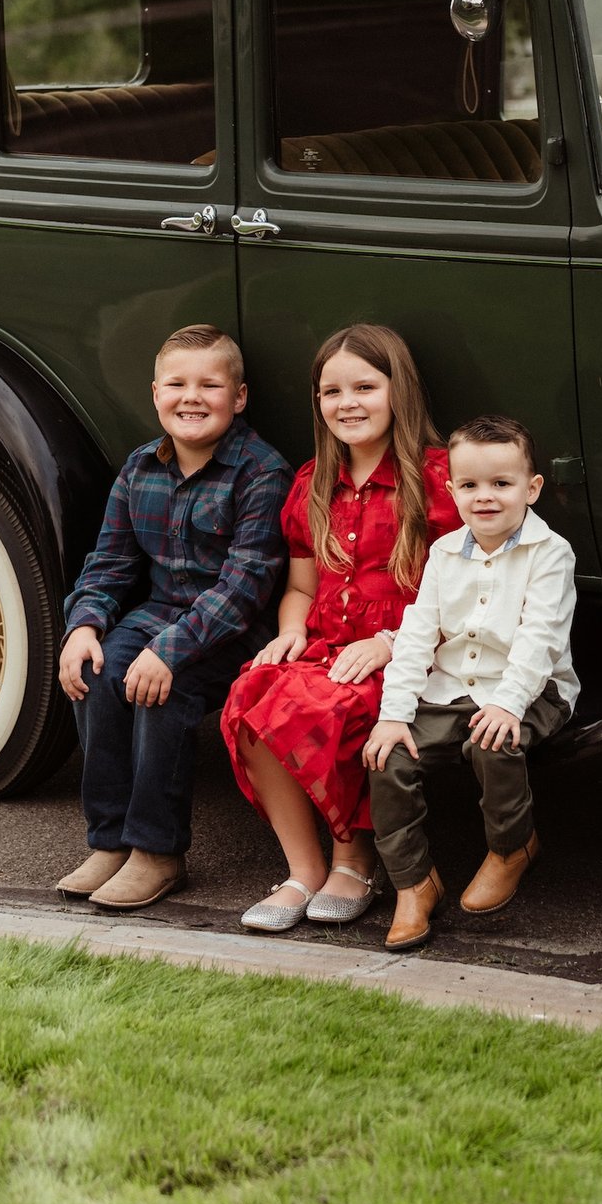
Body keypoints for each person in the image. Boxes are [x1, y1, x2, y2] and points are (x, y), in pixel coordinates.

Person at [220, 324, 455, 933]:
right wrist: (290, 632)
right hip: (326, 641)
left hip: (407, 650)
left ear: (398, 390)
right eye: (331, 392)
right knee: (252, 693)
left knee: (331, 706)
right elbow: (300, 586)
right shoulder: (311, 485)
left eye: (365, 387)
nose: (347, 403)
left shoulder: (437, 480)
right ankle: (302, 870)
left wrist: (387, 644)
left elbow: (463, 596)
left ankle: (354, 861)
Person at [54, 324, 288, 912]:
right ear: (155, 393)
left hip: (238, 629)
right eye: (177, 384)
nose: (192, 397)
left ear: (238, 398)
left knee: (166, 688)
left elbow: (244, 587)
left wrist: (170, 651)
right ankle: (110, 842)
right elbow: (108, 563)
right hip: (158, 614)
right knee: (98, 672)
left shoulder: (260, 472)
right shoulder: (139, 469)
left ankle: (157, 852)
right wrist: (83, 623)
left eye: (210, 384)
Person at [363, 413, 580, 952]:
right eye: (470, 485)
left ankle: (512, 846)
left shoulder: (550, 554)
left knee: (493, 741)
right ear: (452, 488)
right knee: (388, 759)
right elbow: (416, 636)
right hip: (453, 687)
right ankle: (415, 883)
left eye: (501, 484)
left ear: (531, 489)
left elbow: (540, 639)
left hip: (532, 689)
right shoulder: (443, 554)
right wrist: (394, 713)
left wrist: (508, 704)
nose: (485, 497)